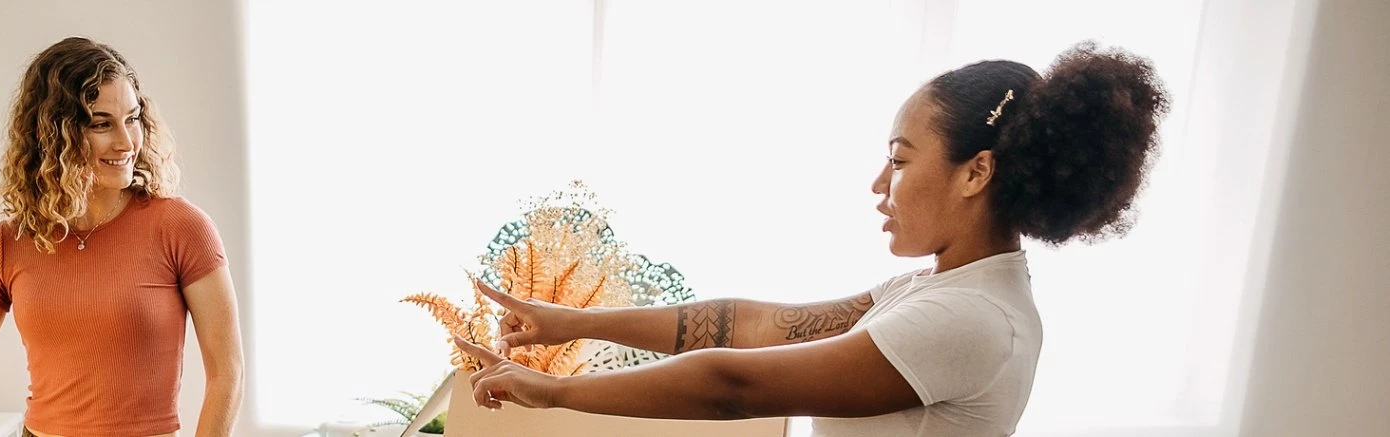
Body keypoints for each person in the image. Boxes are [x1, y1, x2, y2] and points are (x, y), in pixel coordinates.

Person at [453, 41, 1167, 437]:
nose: (879, 184)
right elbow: (756, 326)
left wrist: (555, 392)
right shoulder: (939, 291)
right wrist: (572, 321)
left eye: (899, 160)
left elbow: (733, 385)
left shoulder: (970, 319)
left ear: (975, 172)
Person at [0, 37, 244, 437]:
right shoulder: (9, 245)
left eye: (132, 118)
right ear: (55, 134)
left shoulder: (181, 228)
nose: (126, 142)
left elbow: (227, 375)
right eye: (101, 123)